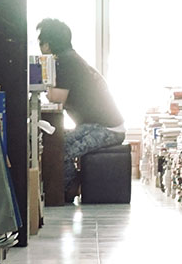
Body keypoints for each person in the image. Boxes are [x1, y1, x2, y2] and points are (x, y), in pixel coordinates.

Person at [36, 18, 125, 203]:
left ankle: (68, 190)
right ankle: (70, 185)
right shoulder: (69, 58)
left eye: (41, 41)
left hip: (107, 128)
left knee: (61, 147)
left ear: (50, 43)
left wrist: (41, 84)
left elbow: (56, 98)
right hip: (99, 125)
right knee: (58, 141)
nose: (40, 46)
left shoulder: (66, 62)